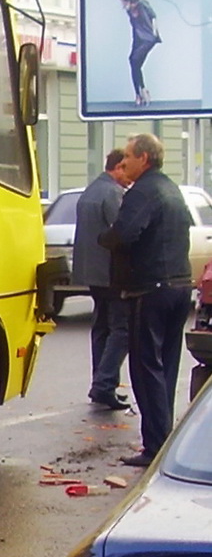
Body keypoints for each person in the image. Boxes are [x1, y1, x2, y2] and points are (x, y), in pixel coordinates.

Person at [98, 133, 192, 467]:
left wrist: (104, 237)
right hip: (180, 287)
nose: (124, 163)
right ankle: (166, 442)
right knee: (165, 366)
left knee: (145, 367)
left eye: (128, 157)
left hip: (150, 290)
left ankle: (155, 446)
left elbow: (126, 233)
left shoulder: (143, 192)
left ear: (144, 159)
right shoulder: (171, 189)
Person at [73, 149, 131, 410]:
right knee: (121, 328)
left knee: (102, 327)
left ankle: (100, 382)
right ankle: (104, 384)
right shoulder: (112, 193)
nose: (129, 178)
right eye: (126, 170)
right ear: (117, 167)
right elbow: (121, 232)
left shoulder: (91, 190)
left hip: (93, 273)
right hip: (111, 273)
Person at [117, 0, 161, 107]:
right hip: (137, 38)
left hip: (147, 38)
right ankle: (140, 92)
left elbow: (153, 17)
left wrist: (154, 32)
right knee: (134, 63)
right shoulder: (129, 4)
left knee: (134, 61)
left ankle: (141, 92)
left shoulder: (143, 3)